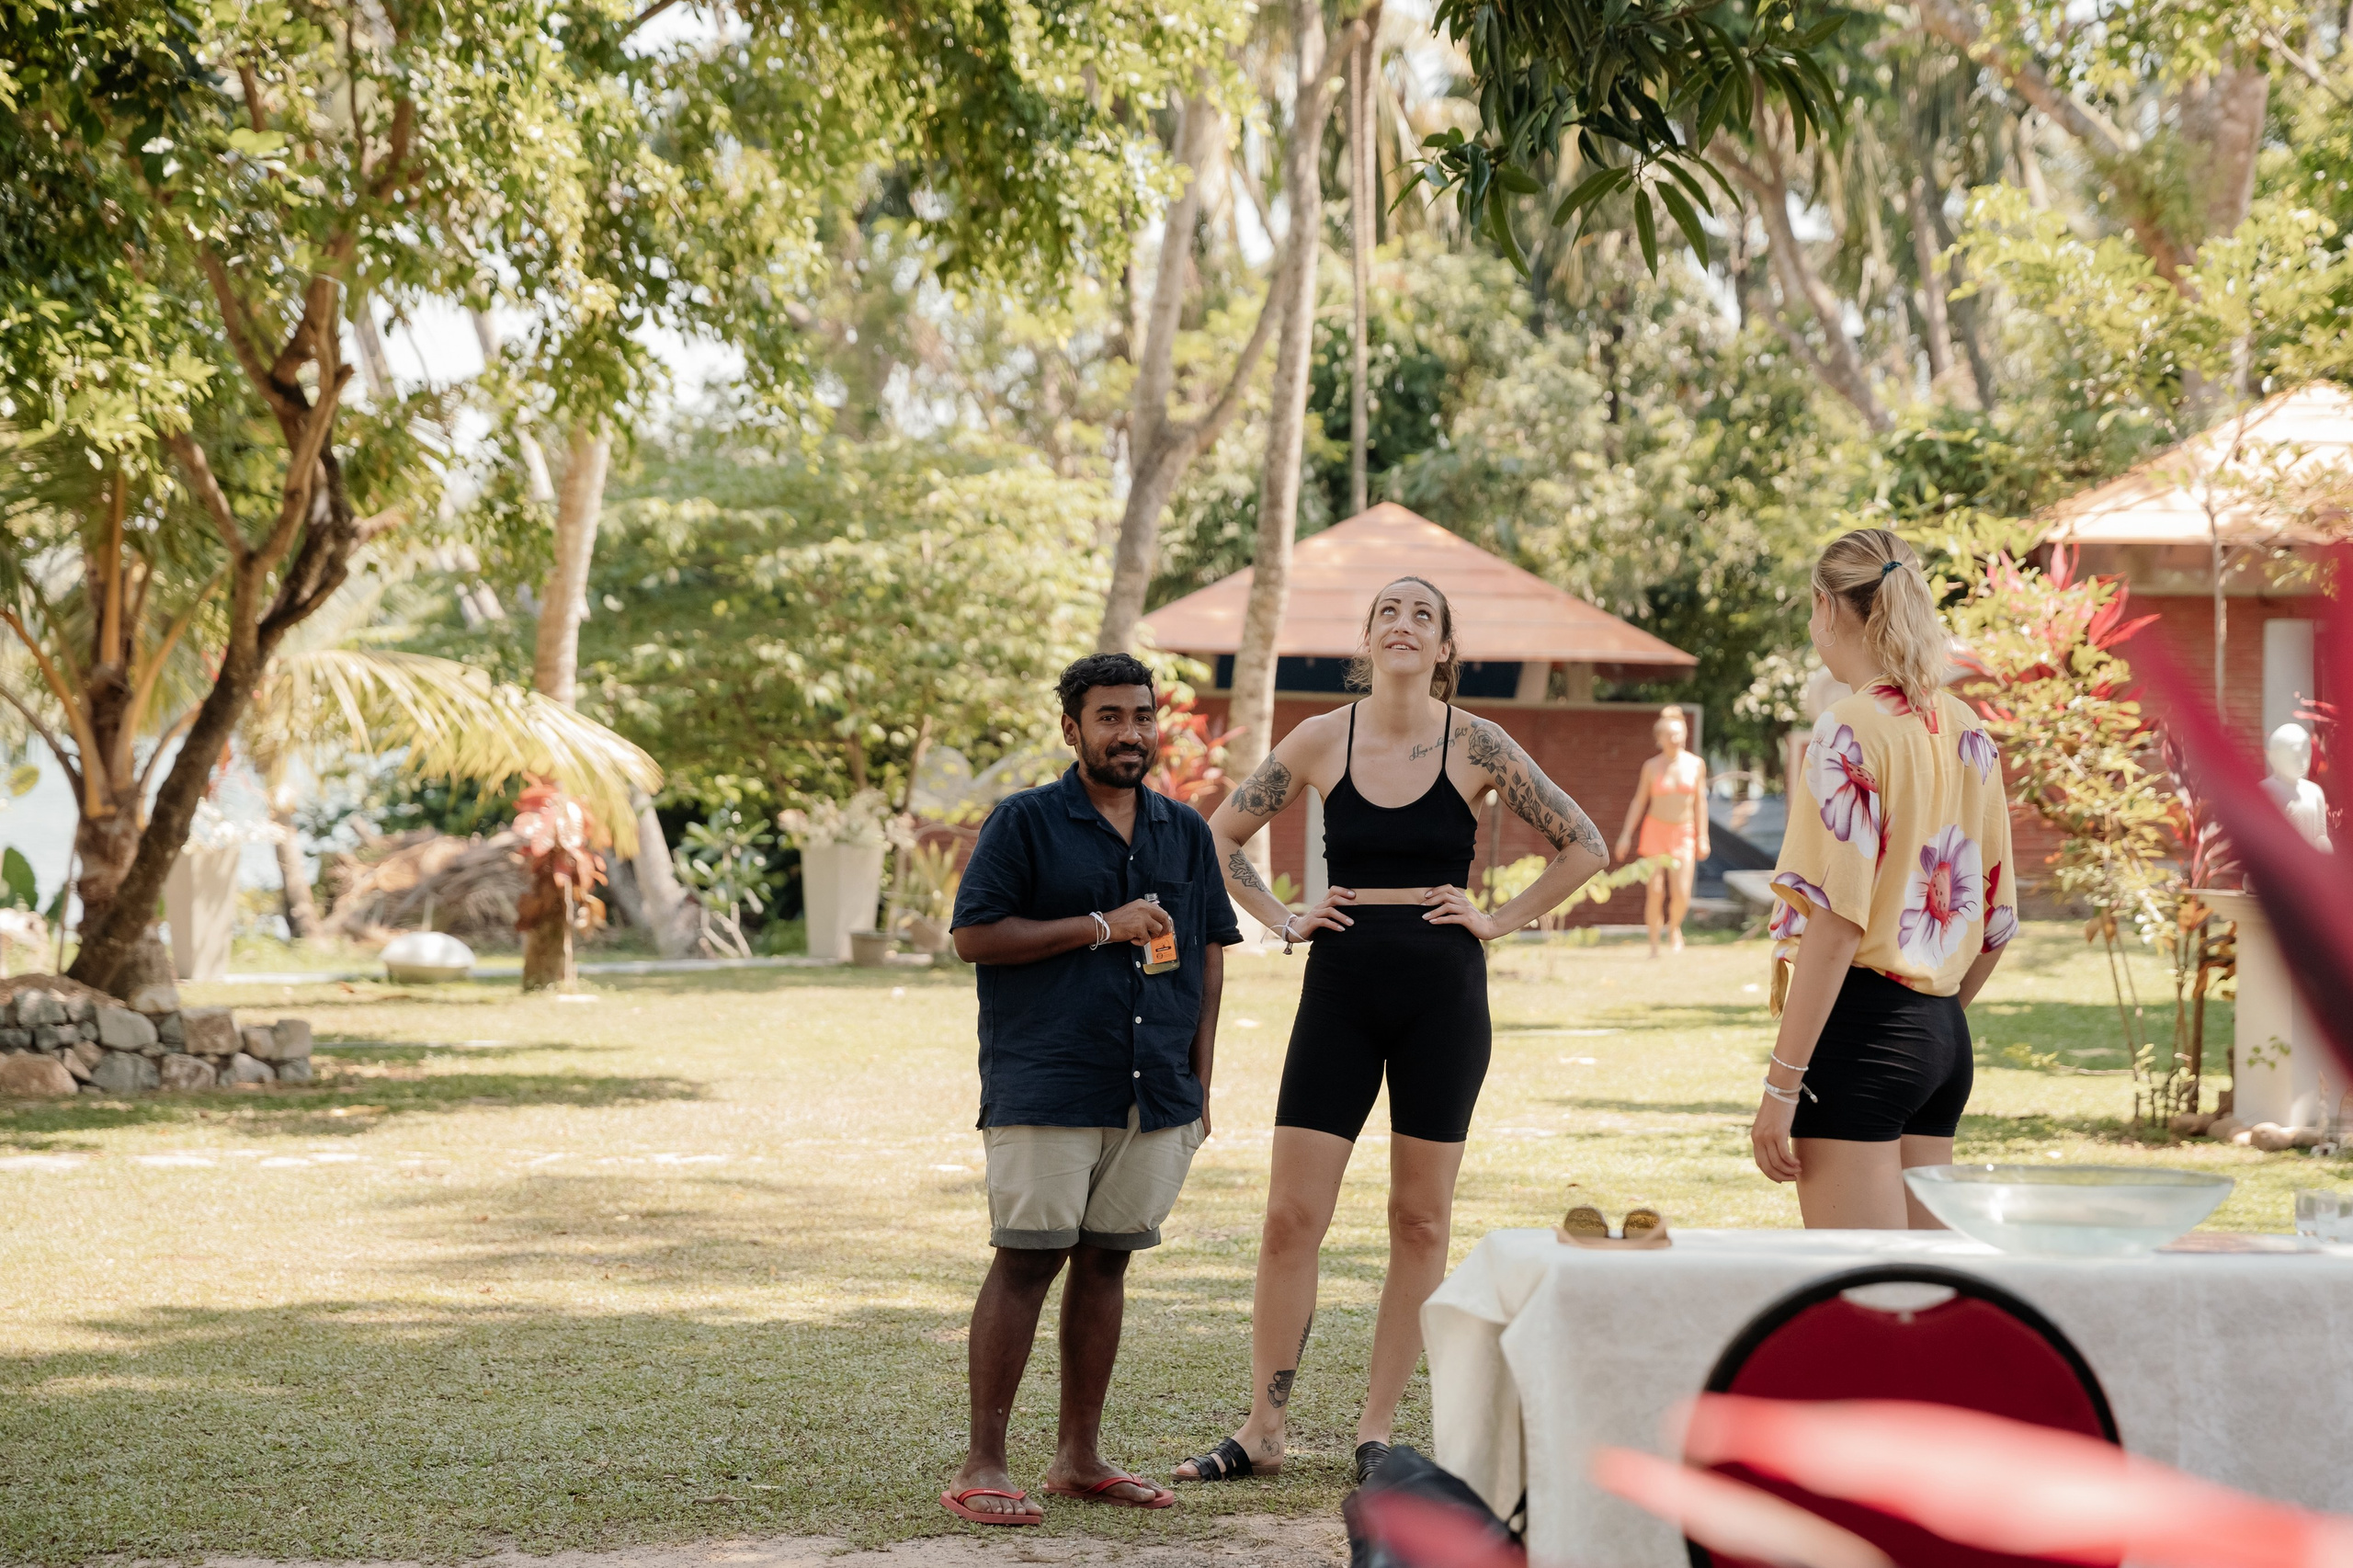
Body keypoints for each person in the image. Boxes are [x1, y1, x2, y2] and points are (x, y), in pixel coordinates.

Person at [1171, 575, 1608, 1488]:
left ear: (1444, 648)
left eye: (1422, 615)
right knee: (1290, 1217)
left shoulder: (1478, 742)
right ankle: (1263, 1427)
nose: (1403, 624)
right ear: (1366, 640)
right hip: (1339, 986)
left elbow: (1585, 845)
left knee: (1419, 1218)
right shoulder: (1318, 738)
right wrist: (1283, 916)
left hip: (1443, 995)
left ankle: (1376, 1429)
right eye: (1387, 613)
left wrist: (1499, 918)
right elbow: (1219, 835)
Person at [942, 652, 1242, 1524]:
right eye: (1110, 717)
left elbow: (1208, 952)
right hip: (1050, 1078)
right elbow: (974, 936)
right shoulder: (1025, 822)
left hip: (1157, 1090)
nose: (1130, 733)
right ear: (1072, 729)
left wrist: (1201, 1080)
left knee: (1109, 1258)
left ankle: (1078, 1458)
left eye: (1142, 716)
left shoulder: (1185, 830)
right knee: (1028, 1258)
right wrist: (1103, 926)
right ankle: (983, 1463)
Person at [1754, 529, 2018, 1229]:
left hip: (1863, 1033)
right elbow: (1997, 922)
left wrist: (1780, 1087)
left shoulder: (1847, 728)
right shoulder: (1967, 727)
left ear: (1825, 606)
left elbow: (1836, 923)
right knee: (1928, 1289)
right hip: (1943, 1037)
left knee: (1868, 1289)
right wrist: (1930, 1021)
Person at [1612, 704, 1711, 957]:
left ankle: (1674, 927)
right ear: (1659, 739)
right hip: (1655, 831)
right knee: (1655, 891)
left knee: (1682, 893)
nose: (1675, 738)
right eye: (1670, 734)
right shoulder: (1651, 767)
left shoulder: (1696, 764)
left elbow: (1700, 802)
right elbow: (1639, 801)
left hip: (1684, 832)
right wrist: (1626, 834)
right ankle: (1654, 944)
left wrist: (1703, 836)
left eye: (1679, 733)